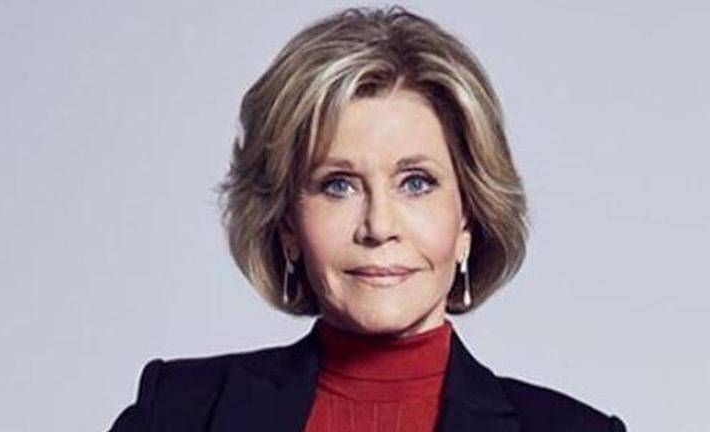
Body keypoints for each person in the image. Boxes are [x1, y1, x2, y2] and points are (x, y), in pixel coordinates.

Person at [106, 5, 627, 432]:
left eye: (416, 183)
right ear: (287, 225)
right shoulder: (176, 414)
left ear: (468, 220)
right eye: (339, 185)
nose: (379, 226)